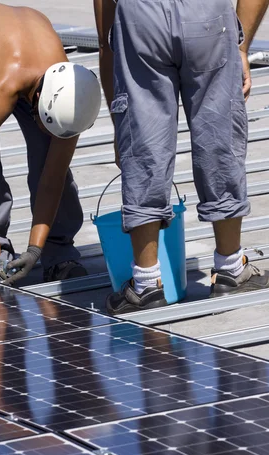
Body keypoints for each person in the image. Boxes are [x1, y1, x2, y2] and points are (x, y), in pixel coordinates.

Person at [94, 0, 269, 315]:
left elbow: (106, 34)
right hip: (206, 15)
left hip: (140, 17)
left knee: (145, 145)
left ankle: (146, 284)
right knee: (219, 135)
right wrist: (240, 47)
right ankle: (230, 265)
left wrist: (122, 125)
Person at [0, 3, 101, 286]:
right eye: (43, 120)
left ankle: (59, 251)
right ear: (37, 99)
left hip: (26, 43)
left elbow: (52, 178)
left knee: (48, 158)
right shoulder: (6, 85)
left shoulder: (74, 95)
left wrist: (35, 248)